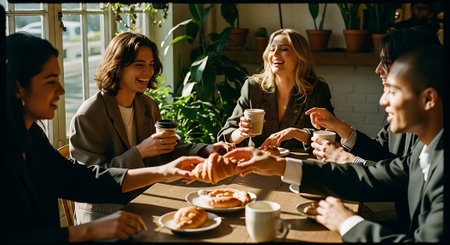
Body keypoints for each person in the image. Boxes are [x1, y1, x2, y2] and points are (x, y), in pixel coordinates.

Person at [225, 44, 444, 242]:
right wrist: (280, 166)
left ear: (428, 100)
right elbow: (372, 177)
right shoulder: (425, 151)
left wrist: (346, 222)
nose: (382, 100)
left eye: (393, 91)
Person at [2, 32, 205, 243]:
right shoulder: (87, 114)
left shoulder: (33, 137)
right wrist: (88, 231)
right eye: (51, 82)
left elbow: (84, 179)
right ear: (18, 87)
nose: (61, 90)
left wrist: (163, 171)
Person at [69, 32, 233, 224]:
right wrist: (139, 152)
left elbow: (165, 149)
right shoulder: (88, 115)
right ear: (117, 66)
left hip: (144, 198)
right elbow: (90, 181)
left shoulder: (147, 105)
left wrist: (206, 149)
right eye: (139, 65)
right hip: (104, 214)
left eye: (151, 65)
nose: (148, 72)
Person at [305, 27, 441, 166]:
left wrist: (346, 159)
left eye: (386, 62)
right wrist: (341, 128)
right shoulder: (403, 116)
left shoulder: (433, 130)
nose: (377, 70)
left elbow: (402, 177)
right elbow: (380, 152)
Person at [217, 28, 334, 151]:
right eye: (272, 49)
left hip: (300, 164)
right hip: (258, 162)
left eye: (284, 49)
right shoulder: (253, 87)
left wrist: (298, 133)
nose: (275, 54)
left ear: (300, 56)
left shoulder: (318, 90)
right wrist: (241, 132)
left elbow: (331, 135)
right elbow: (224, 135)